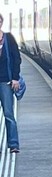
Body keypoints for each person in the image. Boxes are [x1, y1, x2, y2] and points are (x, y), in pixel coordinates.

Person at [0, 13, 21, 154]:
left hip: (6, 82)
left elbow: (16, 59)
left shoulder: (8, 39)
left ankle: (13, 144)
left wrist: (15, 78)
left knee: (8, 113)